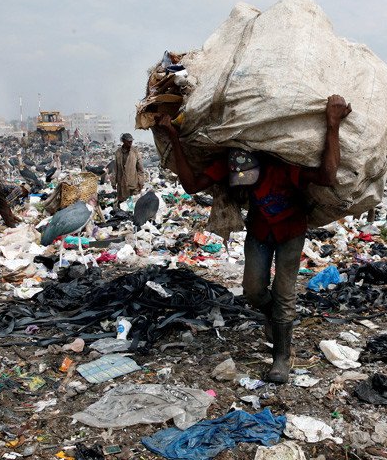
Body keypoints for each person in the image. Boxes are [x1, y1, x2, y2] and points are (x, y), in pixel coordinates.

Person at [155, 95, 351, 383]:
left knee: (285, 292)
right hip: (259, 230)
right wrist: (173, 134)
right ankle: (274, 315)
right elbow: (192, 185)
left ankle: (281, 357)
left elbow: (328, 176)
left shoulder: (284, 161)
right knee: (252, 290)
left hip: (291, 231)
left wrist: (332, 124)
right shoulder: (235, 160)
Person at [113, 133, 146, 203]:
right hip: (121, 184)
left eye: (131, 141)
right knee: (123, 205)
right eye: (128, 141)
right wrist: (113, 182)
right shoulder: (118, 152)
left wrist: (141, 182)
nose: (130, 143)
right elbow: (115, 169)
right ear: (123, 141)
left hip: (133, 184)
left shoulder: (135, 152)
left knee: (133, 204)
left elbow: (140, 169)